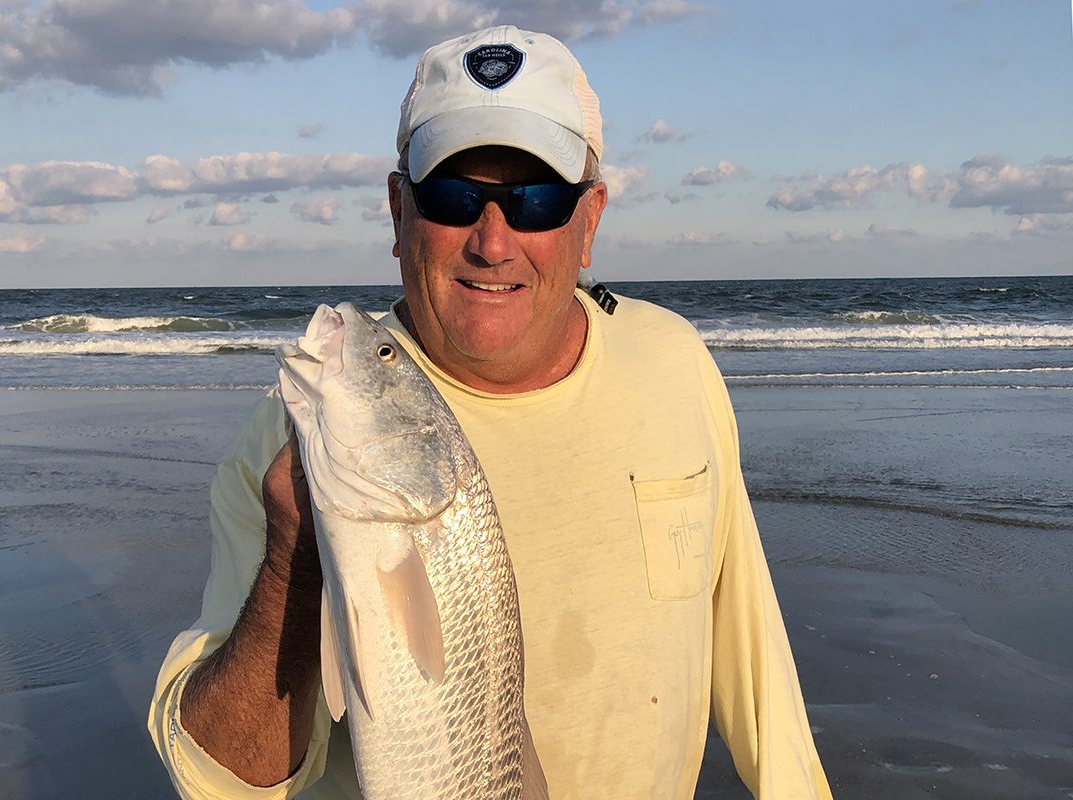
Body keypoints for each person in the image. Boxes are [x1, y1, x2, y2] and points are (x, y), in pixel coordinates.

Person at [149, 24, 832, 800]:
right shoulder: (294, 434)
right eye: (454, 196)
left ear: (590, 220)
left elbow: (753, 664)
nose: (494, 241)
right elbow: (218, 782)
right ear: (398, 210)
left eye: (536, 200)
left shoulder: (674, 362)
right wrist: (295, 569)